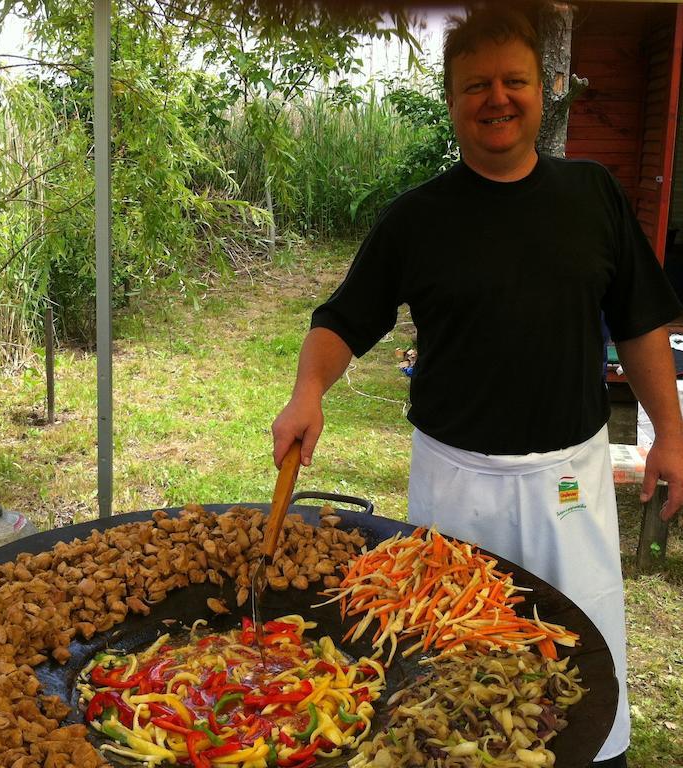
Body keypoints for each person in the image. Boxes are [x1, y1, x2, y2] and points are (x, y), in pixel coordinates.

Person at [270, 7, 683, 768]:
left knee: (581, 667)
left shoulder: (591, 194)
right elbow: (342, 319)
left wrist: (672, 437)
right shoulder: (416, 217)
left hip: (567, 480)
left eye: (513, 81)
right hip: (454, 482)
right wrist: (307, 391)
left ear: (542, 88)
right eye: (475, 86)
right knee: (450, 676)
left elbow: (641, 321)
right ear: (451, 99)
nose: (496, 98)